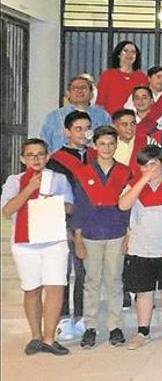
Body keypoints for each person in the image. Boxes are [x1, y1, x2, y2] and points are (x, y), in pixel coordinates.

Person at [1, 138, 75, 356]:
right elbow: (6, 210)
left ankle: (50, 338)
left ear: (47, 157)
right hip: (25, 243)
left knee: (55, 287)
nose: (36, 158)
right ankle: (36, 335)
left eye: (40, 154)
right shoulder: (14, 181)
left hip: (54, 241)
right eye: (31, 155)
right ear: (23, 158)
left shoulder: (58, 178)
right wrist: (30, 188)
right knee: (32, 289)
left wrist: (56, 203)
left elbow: (71, 208)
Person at [118, 145, 162, 349]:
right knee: (143, 292)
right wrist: (142, 181)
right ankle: (143, 331)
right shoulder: (134, 185)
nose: (149, 169)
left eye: (153, 164)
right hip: (140, 249)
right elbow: (123, 205)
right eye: (144, 166)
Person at [70, 126, 131, 348]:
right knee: (92, 281)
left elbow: (129, 205)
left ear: (117, 145)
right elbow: (79, 205)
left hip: (116, 232)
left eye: (111, 144)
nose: (107, 148)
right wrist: (77, 237)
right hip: (90, 233)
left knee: (115, 280)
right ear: (94, 146)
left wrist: (128, 234)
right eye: (102, 144)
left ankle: (115, 326)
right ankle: (91, 326)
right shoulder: (83, 172)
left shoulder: (125, 172)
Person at [46, 110, 92, 341]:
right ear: (67, 131)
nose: (84, 133)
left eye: (87, 128)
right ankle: (63, 319)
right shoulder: (56, 161)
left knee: (84, 272)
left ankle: (83, 317)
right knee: (63, 271)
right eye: (78, 129)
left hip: (89, 222)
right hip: (63, 222)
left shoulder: (95, 155)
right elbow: (52, 195)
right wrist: (64, 225)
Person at [40, 75, 111, 153]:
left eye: (84, 88)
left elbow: (110, 141)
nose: (79, 91)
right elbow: (44, 145)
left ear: (91, 93)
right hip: (60, 162)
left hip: (92, 162)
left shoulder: (103, 116)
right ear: (68, 93)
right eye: (75, 88)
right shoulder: (54, 117)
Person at [96, 41, 149, 114]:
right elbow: (100, 102)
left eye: (133, 52)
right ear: (118, 54)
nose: (129, 54)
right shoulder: (107, 75)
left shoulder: (142, 77)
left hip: (133, 121)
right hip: (110, 120)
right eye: (125, 51)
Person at [125, 66, 162, 131]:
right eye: (158, 77)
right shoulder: (137, 95)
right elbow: (127, 114)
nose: (161, 80)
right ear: (149, 78)